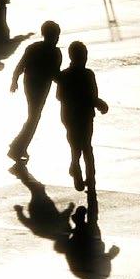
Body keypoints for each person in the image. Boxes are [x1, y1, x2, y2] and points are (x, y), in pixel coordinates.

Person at [56, 41, 108, 192]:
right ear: (84, 57)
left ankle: (75, 165)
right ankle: (90, 177)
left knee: (75, 144)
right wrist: (99, 104)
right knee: (87, 145)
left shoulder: (64, 75)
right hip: (85, 116)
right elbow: (93, 96)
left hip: (68, 116)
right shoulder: (88, 74)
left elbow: (59, 96)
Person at [8, 20, 63, 161]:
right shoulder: (55, 53)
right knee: (34, 117)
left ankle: (19, 146)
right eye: (56, 35)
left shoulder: (33, 48)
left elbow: (20, 65)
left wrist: (14, 80)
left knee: (33, 116)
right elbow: (55, 75)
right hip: (41, 88)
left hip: (30, 85)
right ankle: (17, 148)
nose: (57, 38)